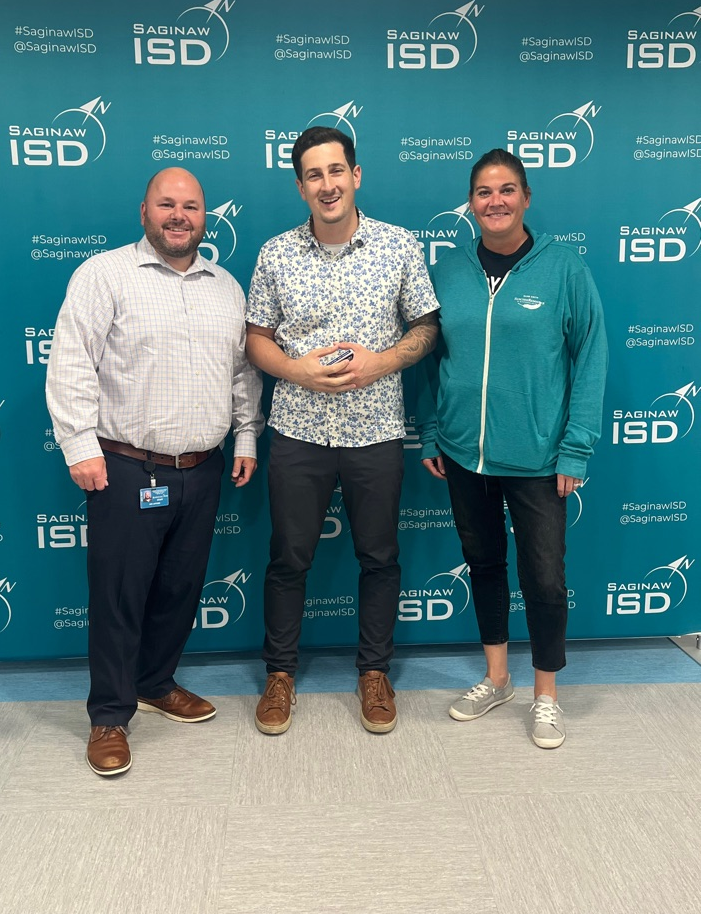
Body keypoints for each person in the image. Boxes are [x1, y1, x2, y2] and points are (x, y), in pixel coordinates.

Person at [46, 168, 263, 776]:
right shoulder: (104, 274)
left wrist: (247, 434)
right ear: (144, 211)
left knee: (179, 590)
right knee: (119, 596)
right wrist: (79, 446)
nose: (178, 216)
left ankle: (155, 682)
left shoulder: (226, 287)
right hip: (124, 467)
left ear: (204, 217)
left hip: (202, 468)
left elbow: (241, 372)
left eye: (190, 206)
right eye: (166, 204)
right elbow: (71, 361)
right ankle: (109, 715)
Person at [245, 126, 439, 736]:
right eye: (313, 175)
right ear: (300, 186)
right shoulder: (276, 253)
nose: (326, 184)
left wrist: (382, 362)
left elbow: (427, 327)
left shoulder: (399, 246)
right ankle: (280, 675)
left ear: (355, 175)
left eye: (336, 171)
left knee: (379, 558)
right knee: (288, 558)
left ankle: (374, 673)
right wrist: (295, 369)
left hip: (376, 431)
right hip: (298, 431)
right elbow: (255, 339)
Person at [418, 148, 607, 749]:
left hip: (538, 458)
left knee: (545, 578)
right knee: (484, 565)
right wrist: (432, 430)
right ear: (470, 203)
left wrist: (575, 448)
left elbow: (591, 356)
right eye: (483, 192)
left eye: (506, 190)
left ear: (526, 198)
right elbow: (430, 356)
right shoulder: (448, 271)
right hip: (463, 454)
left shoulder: (563, 268)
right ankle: (497, 678)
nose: (494, 201)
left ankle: (545, 695)